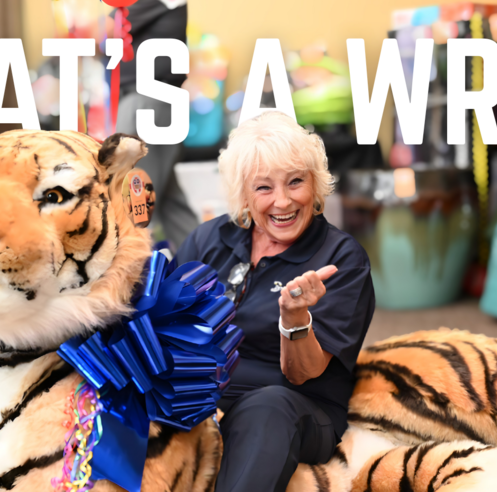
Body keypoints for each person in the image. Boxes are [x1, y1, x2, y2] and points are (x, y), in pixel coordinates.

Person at [174, 111, 375, 492]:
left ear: (315, 184)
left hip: (295, 406)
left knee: (267, 408)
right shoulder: (209, 239)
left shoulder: (341, 258)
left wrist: (294, 318)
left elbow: (302, 374)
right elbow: (168, 324)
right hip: (204, 396)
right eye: (264, 187)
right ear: (244, 196)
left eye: (295, 182)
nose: (282, 201)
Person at [114, 0, 199, 248]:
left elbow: (107, 28)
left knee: (135, 194)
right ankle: (204, 259)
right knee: (171, 201)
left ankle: (132, 265)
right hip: (150, 98)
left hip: (149, 99)